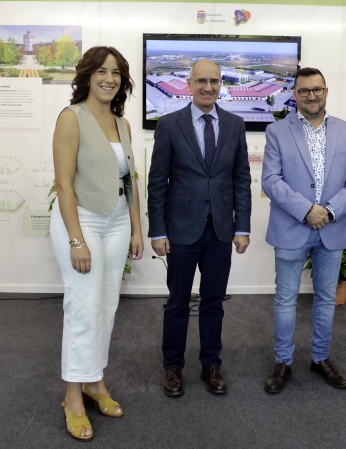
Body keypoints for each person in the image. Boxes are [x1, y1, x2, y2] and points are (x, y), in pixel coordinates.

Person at [49, 46, 143, 441]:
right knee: (83, 307)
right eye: (102, 71)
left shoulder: (122, 123)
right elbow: (63, 184)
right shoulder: (71, 118)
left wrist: (136, 228)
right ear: (87, 75)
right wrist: (76, 239)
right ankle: (73, 397)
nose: (110, 78)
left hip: (117, 219)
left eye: (116, 72)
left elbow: (129, 180)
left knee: (106, 305)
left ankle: (95, 382)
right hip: (82, 220)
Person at [148, 59, 252, 397]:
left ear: (222, 85)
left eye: (215, 82)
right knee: (178, 302)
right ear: (189, 84)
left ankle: (211, 365)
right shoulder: (169, 124)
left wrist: (242, 227)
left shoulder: (235, 125)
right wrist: (158, 231)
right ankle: (173, 367)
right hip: (180, 230)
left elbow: (241, 180)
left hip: (220, 231)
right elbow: (157, 183)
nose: (209, 87)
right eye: (202, 81)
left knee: (213, 302)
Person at [261, 67, 346, 393]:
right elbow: (271, 180)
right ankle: (283, 360)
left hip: (332, 228)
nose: (311, 95)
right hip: (292, 227)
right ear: (295, 94)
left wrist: (329, 211)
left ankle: (320, 358)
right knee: (286, 299)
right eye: (304, 90)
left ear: (326, 91)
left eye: (317, 89)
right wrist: (307, 210)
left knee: (325, 298)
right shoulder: (277, 131)